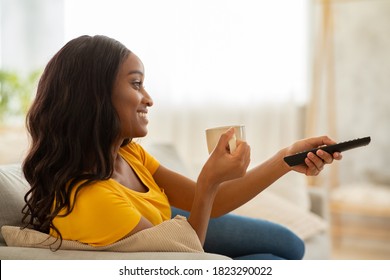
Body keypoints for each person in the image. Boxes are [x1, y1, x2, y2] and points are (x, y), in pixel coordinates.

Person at [22, 35, 342, 260]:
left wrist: (286, 158)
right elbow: (183, 261)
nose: (149, 98)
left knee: (288, 244)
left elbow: (212, 204)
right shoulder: (93, 199)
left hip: (170, 228)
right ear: (94, 97)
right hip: (173, 241)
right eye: (136, 84)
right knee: (275, 259)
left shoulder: (125, 153)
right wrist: (208, 182)